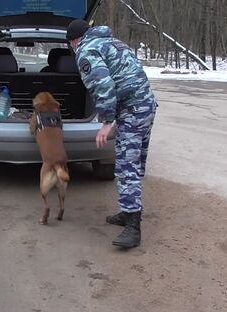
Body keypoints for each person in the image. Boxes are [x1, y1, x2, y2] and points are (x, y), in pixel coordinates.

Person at [66, 19, 158, 248]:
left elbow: (103, 84)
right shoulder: (114, 43)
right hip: (146, 106)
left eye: (70, 45)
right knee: (136, 163)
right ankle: (128, 212)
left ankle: (133, 229)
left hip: (132, 111)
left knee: (127, 167)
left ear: (74, 41)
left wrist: (107, 121)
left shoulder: (86, 50)